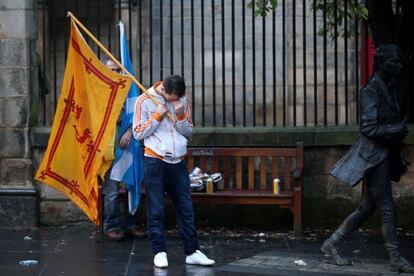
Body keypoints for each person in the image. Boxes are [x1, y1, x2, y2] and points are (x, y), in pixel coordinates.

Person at [323, 44, 414, 273]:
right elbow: (369, 128)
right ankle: (395, 258)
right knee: (386, 208)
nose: (399, 66)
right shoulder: (371, 90)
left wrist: (396, 130)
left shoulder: (389, 88)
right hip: (373, 158)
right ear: (382, 64)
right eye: (394, 62)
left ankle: (331, 243)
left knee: (366, 208)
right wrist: (395, 130)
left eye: (400, 62)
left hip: (382, 155)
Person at [133, 75, 215, 268]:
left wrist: (180, 115)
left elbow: (188, 131)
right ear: (163, 89)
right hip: (155, 161)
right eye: (172, 98)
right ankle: (159, 251)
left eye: (178, 98)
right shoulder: (144, 100)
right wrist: (157, 116)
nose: (175, 102)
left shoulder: (181, 100)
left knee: (186, 208)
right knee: (156, 209)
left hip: (178, 161)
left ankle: (192, 251)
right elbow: (137, 133)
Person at [103, 59, 146, 241]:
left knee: (132, 186)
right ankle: (111, 226)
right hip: (109, 149)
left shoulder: (130, 94)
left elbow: (138, 117)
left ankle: (131, 225)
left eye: (118, 70)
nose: (115, 73)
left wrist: (129, 131)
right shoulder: (101, 93)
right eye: (111, 70)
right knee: (112, 191)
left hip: (128, 147)